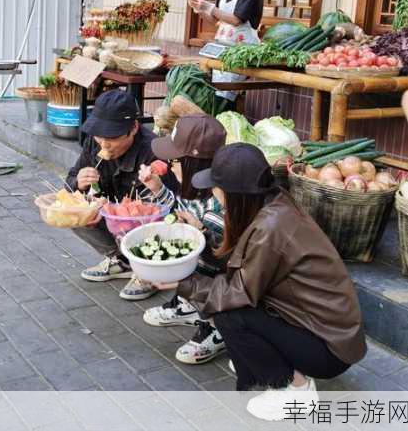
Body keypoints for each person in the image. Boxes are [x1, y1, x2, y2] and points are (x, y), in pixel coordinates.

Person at [168, 143, 366, 421]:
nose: (213, 192)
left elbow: (238, 293)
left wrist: (181, 281)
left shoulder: (271, 227)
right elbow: (245, 267)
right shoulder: (274, 203)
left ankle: (295, 388)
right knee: (224, 298)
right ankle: (274, 363)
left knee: (228, 312)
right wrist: (201, 237)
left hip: (329, 349)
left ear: (235, 195)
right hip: (325, 331)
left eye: (216, 187)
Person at [65, 89, 177, 300]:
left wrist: (111, 209)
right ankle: (121, 261)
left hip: (144, 222)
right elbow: (69, 185)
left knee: (141, 222)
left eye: (112, 137)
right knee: (73, 212)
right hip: (112, 217)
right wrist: (78, 183)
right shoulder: (94, 141)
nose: (104, 144)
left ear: (133, 128)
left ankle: (148, 270)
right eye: (100, 136)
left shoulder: (153, 151)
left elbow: (166, 211)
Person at [139, 114, 228, 364]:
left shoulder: (221, 199)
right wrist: (157, 189)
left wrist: (201, 233)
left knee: (184, 264)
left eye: (176, 159)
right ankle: (189, 305)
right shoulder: (190, 185)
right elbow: (180, 212)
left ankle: (218, 327)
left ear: (195, 163)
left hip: (222, 275)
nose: (170, 163)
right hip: (205, 267)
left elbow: (223, 253)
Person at [188, 0, 263, 105]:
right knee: (217, 92)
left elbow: (237, 19)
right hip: (222, 47)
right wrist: (199, 9)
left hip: (241, 49)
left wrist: (209, 7)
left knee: (225, 95)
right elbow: (216, 19)